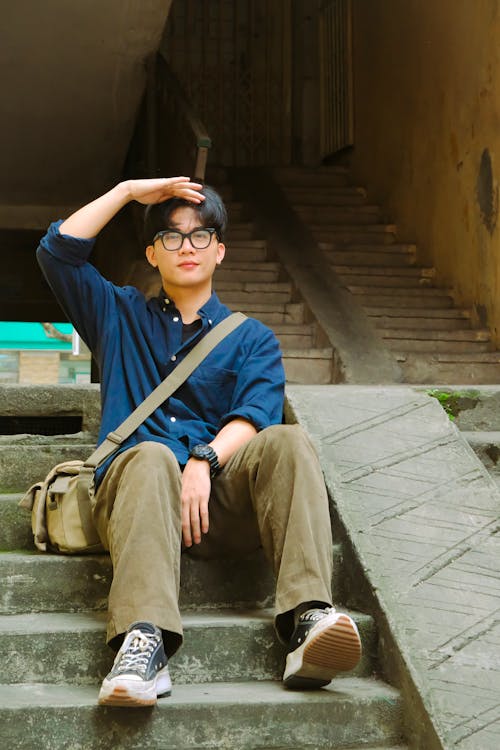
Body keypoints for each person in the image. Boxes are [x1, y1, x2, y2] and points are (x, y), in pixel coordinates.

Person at [37, 176, 362, 707]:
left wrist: (204, 460)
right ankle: (143, 642)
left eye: (201, 235)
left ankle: (308, 618)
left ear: (221, 251)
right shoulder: (118, 315)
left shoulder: (251, 337)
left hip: (218, 509)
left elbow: (254, 416)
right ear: (151, 252)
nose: (187, 247)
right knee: (150, 455)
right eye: (171, 236)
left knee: (289, 440)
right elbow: (57, 252)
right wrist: (124, 192)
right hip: (137, 500)